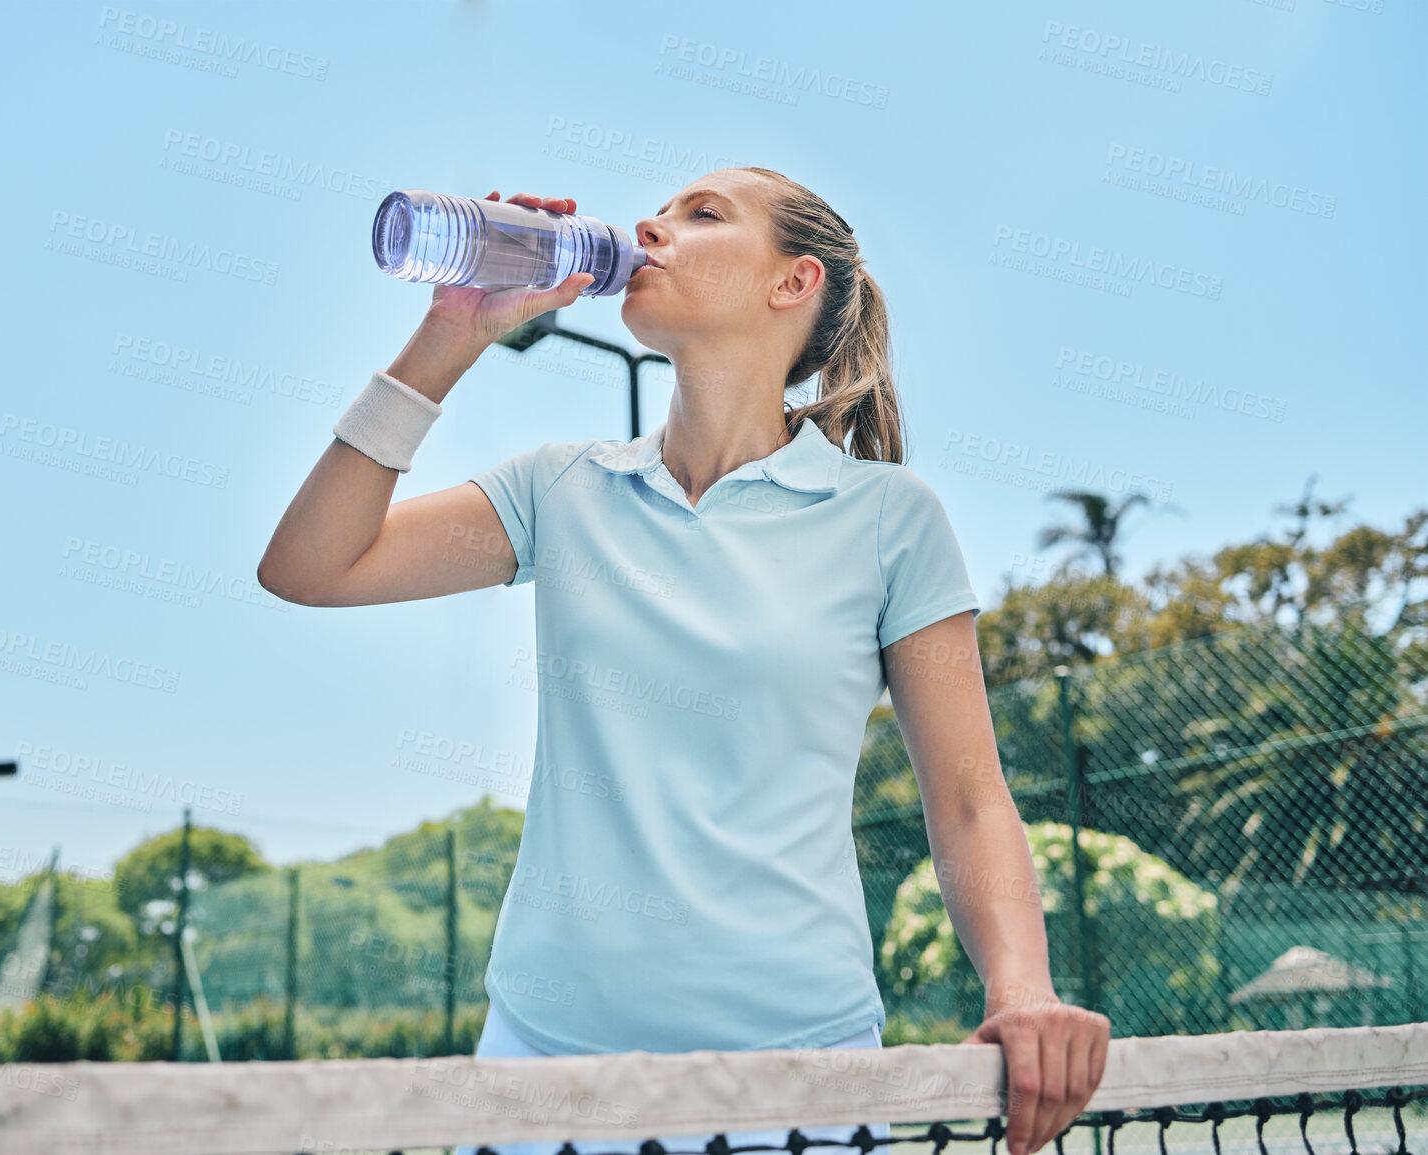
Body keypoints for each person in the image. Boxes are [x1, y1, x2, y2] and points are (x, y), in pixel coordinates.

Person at [258, 169, 1110, 1155]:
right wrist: (450, 334)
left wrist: (1025, 993)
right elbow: (310, 568)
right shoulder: (559, 489)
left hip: (802, 1083)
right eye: (660, 210)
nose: (652, 226)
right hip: (542, 1078)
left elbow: (968, 802)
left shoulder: (889, 521)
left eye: (702, 215)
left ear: (793, 284)